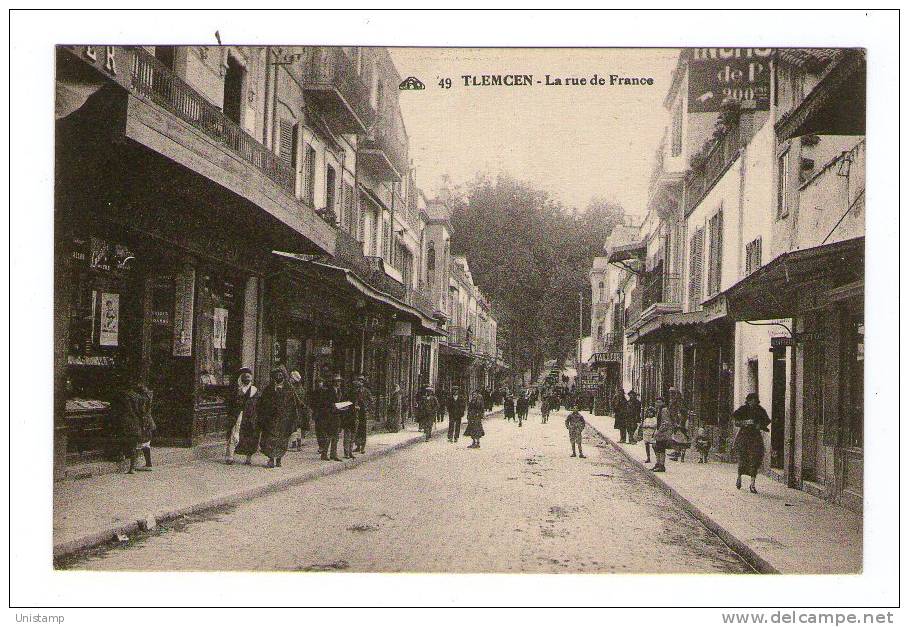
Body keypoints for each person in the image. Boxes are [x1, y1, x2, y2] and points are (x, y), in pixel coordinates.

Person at [257, 365, 298, 468]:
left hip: (284, 419)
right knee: (270, 438)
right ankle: (271, 459)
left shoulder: (289, 389)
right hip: (271, 418)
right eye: (276, 375)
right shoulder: (269, 389)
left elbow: (294, 404)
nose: (278, 376)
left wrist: (292, 417)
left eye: (280, 374)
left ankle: (279, 459)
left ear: (284, 376)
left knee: (282, 439)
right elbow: (262, 402)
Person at [731, 393, 771, 493]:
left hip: (755, 438)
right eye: (751, 400)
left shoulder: (760, 410)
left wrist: (759, 425)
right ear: (748, 401)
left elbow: (766, 421)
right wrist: (744, 422)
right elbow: (735, 419)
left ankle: (752, 484)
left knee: (755, 459)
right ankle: (739, 478)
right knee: (742, 458)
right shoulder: (743, 409)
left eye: (754, 400)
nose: (752, 402)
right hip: (744, 436)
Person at [118, 378, 155, 474]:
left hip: (138, 422)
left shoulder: (133, 396)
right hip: (146, 422)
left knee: (135, 444)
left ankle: (132, 468)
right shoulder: (148, 395)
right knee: (146, 443)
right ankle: (148, 464)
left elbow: (137, 411)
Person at [225, 367, 259, 465]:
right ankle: (230, 456)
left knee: (250, 435)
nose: (247, 379)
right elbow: (230, 403)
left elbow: (257, 403)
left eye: (248, 377)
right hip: (238, 415)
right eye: (245, 377)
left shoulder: (254, 390)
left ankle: (248, 458)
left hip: (250, 416)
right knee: (234, 434)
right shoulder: (236, 390)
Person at [323, 374, 344, 461]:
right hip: (330, 416)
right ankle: (324, 454)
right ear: (334, 382)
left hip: (337, 415)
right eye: (337, 381)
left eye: (339, 381)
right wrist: (334, 406)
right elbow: (326, 403)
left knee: (336, 436)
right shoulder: (329, 391)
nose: (339, 383)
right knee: (329, 435)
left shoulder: (339, 391)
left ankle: (333, 454)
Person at [666, 387, 688, 461]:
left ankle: (678, 453)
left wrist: (678, 422)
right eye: (670, 393)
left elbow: (680, 412)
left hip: (678, 422)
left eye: (673, 393)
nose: (671, 394)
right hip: (673, 421)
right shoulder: (673, 401)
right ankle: (676, 451)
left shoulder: (679, 402)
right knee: (674, 437)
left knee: (679, 438)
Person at [353, 375, 373, 454]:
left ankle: (363, 447)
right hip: (357, 412)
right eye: (359, 381)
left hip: (363, 412)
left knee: (363, 429)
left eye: (361, 381)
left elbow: (371, 401)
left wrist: (367, 408)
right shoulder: (356, 391)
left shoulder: (367, 391)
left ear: (363, 382)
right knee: (357, 429)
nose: (360, 382)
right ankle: (357, 446)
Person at [651, 397, 672, 472]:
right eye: (657, 402)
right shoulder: (659, 410)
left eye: (660, 402)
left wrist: (659, 431)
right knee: (656, 447)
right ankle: (658, 463)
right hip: (660, 432)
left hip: (663, 433)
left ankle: (661, 465)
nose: (658, 404)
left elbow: (665, 423)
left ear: (663, 403)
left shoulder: (664, 410)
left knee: (661, 448)